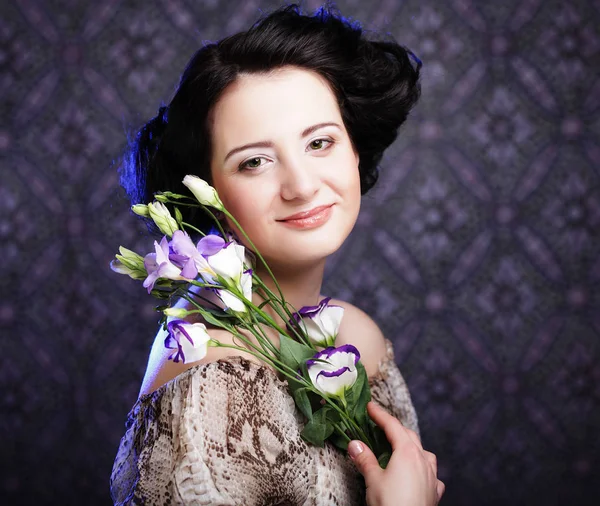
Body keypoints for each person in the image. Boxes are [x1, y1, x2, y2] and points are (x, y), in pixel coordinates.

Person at [110, 4, 443, 505]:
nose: (303, 185)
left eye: (320, 142)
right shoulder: (205, 384)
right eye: (255, 161)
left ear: (355, 150)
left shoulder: (356, 336)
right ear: (209, 195)